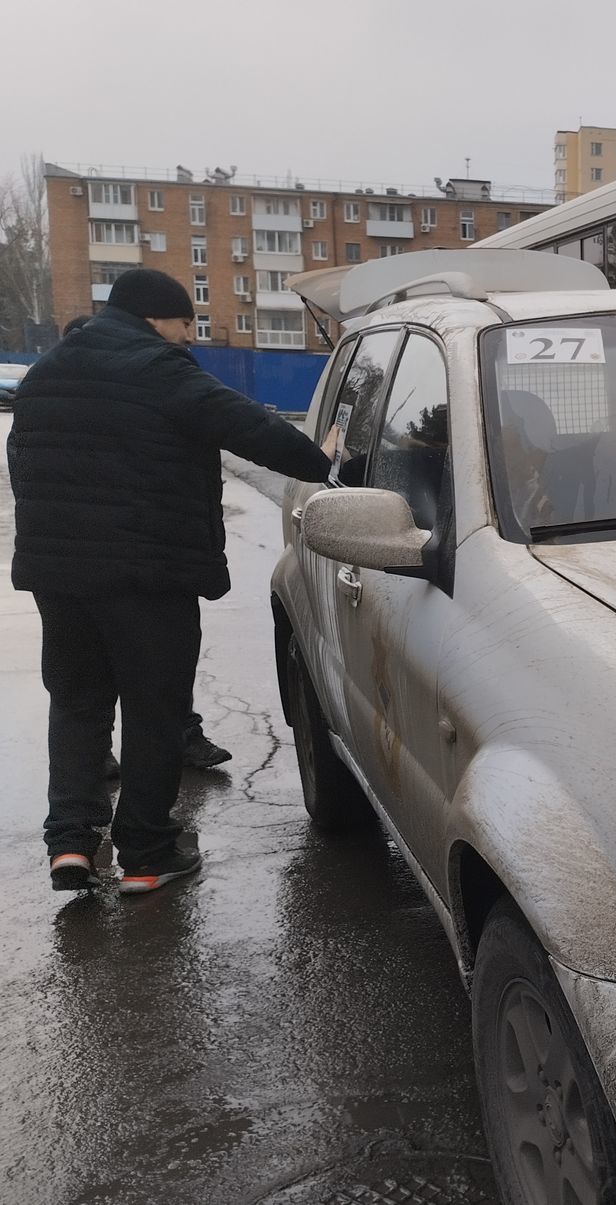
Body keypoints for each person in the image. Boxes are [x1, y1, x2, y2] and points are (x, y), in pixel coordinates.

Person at [9, 270, 334, 894]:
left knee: (77, 703)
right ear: (160, 318)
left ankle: (71, 844)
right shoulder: (160, 369)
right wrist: (326, 462)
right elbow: (251, 430)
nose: (188, 340)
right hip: (147, 579)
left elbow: (24, 464)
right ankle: (147, 854)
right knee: (155, 710)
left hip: (61, 579)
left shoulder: (46, 372)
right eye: (187, 327)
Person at [63, 313, 231, 778]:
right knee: (110, 678)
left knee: (155, 673)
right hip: (110, 561)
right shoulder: (84, 399)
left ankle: (179, 737)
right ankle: (115, 775)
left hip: (144, 555)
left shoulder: (160, 378)